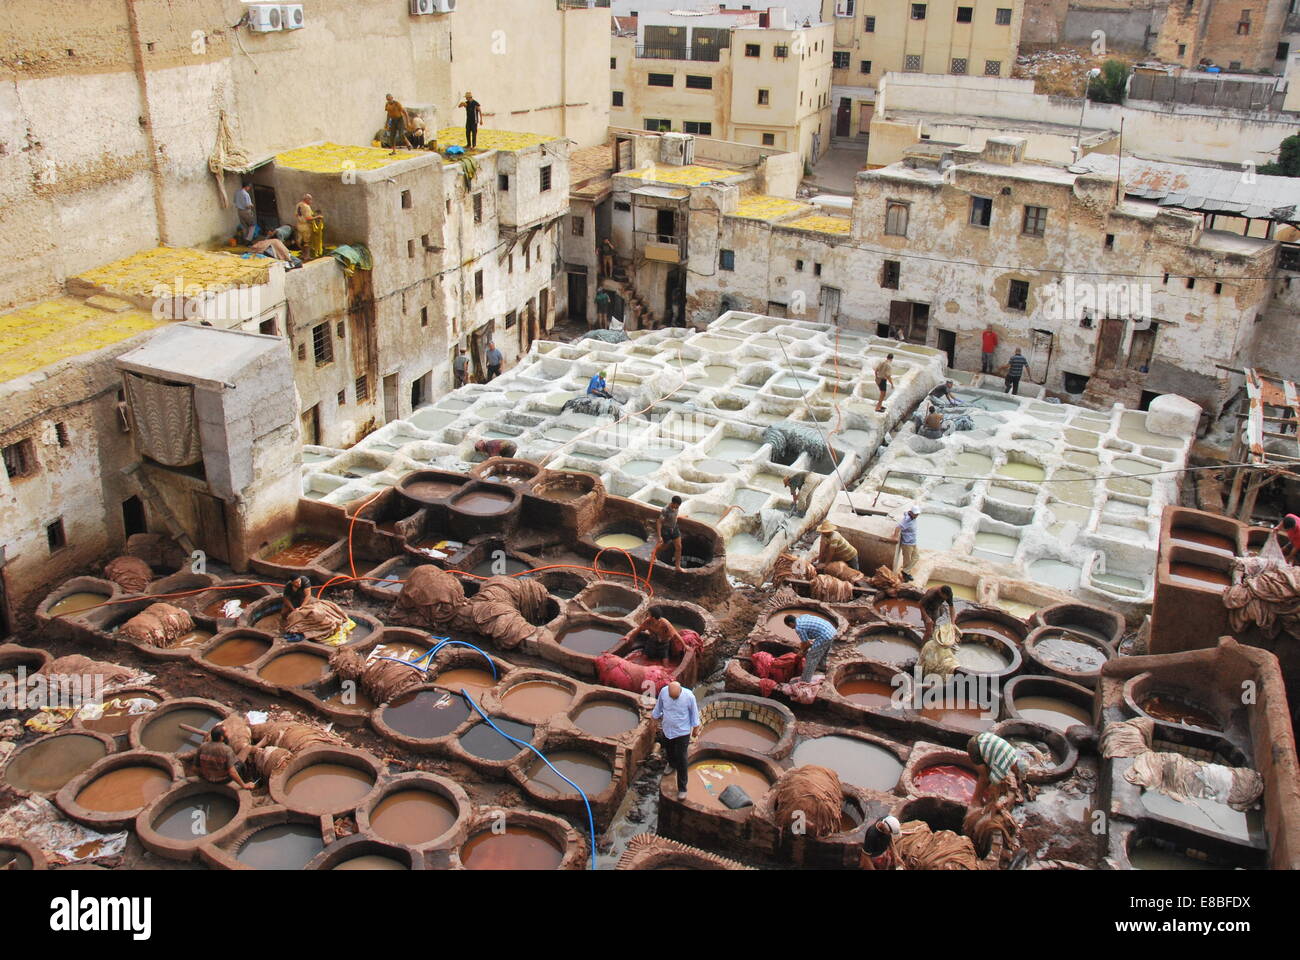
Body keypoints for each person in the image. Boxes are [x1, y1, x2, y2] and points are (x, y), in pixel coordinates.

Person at [652, 680, 700, 800]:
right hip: (668, 730)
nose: (673, 699)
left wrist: (695, 729)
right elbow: (658, 708)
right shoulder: (663, 692)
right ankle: (671, 764)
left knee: (682, 758)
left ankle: (682, 788)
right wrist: (654, 719)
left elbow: (694, 714)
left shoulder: (689, 696)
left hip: (682, 732)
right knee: (669, 750)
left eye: (676, 697)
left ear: (680, 690)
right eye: (671, 697)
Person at [967, 731, 1030, 805]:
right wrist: (994, 800)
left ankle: (980, 794)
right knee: (984, 778)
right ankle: (975, 800)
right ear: (1016, 768)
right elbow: (993, 784)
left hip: (983, 738)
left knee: (990, 775)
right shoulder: (1004, 767)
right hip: (975, 745)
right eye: (1017, 773)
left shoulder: (1014, 754)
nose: (1016, 775)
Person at [192, 726, 255, 790]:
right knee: (240, 763)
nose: (228, 734)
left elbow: (195, 768)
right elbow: (232, 773)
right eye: (226, 733)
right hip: (223, 780)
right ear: (221, 737)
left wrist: (206, 774)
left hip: (207, 778)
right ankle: (246, 778)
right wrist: (244, 785)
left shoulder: (202, 746)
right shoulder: (226, 750)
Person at [783, 611, 837, 682]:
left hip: (825, 635)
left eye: (790, 626)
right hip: (831, 630)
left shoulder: (799, 628)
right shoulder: (803, 616)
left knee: (811, 657)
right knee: (823, 651)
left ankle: (805, 680)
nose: (791, 628)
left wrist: (801, 652)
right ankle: (822, 667)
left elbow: (806, 644)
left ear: (791, 623)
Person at [656, 496, 684, 572]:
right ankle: (654, 553)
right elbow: (659, 522)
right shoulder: (665, 510)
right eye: (677, 506)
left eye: (678, 506)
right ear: (673, 503)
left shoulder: (676, 507)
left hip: (674, 528)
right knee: (665, 546)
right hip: (666, 530)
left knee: (679, 547)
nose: (677, 508)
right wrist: (659, 536)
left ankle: (677, 567)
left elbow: (675, 516)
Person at [897, 505, 919, 575]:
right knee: (907, 560)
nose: (916, 515)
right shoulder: (907, 520)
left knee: (916, 557)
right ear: (911, 512)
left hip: (913, 542)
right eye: (915, 514)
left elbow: (906, 512)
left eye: (917, 514)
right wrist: (894, 537)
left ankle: (905, 571)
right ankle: (905, 574)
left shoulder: (912, 517)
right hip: (907, 543)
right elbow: (898, 527)